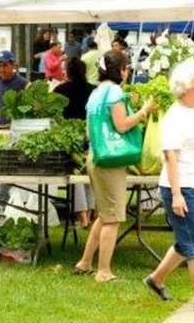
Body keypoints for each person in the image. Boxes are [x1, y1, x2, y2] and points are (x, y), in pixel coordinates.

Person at [143, 59, 194, 314]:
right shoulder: (175, 117)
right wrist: (177, 195)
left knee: (187, 240)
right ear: (185, 87)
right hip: (183, 186)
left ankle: (156, 279)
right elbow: (171, 158)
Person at [74, 51, 155, 283]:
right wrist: (143, 111)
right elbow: (121, 126)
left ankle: (85, 262)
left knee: (104, 214)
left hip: (96, 156)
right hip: (109, 160)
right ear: (119, 70)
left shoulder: (97, 91)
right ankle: (104, 272)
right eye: (126, 67)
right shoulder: (115, 91)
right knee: (113, 218)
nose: (127, 71)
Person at [53, 58, 96, 227]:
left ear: (68, 72)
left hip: (69, 139)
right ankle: (92, 212)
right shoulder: (93, 90)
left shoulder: (60, 90)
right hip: (90, 138)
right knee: (90, 176)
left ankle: (82, 216)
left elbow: (55, 115)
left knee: (75, 176)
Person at [0, 50, 28, 125]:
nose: (1, 69)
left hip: (16, 125)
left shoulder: (23, 83)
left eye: (5, 65)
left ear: (13, 65)